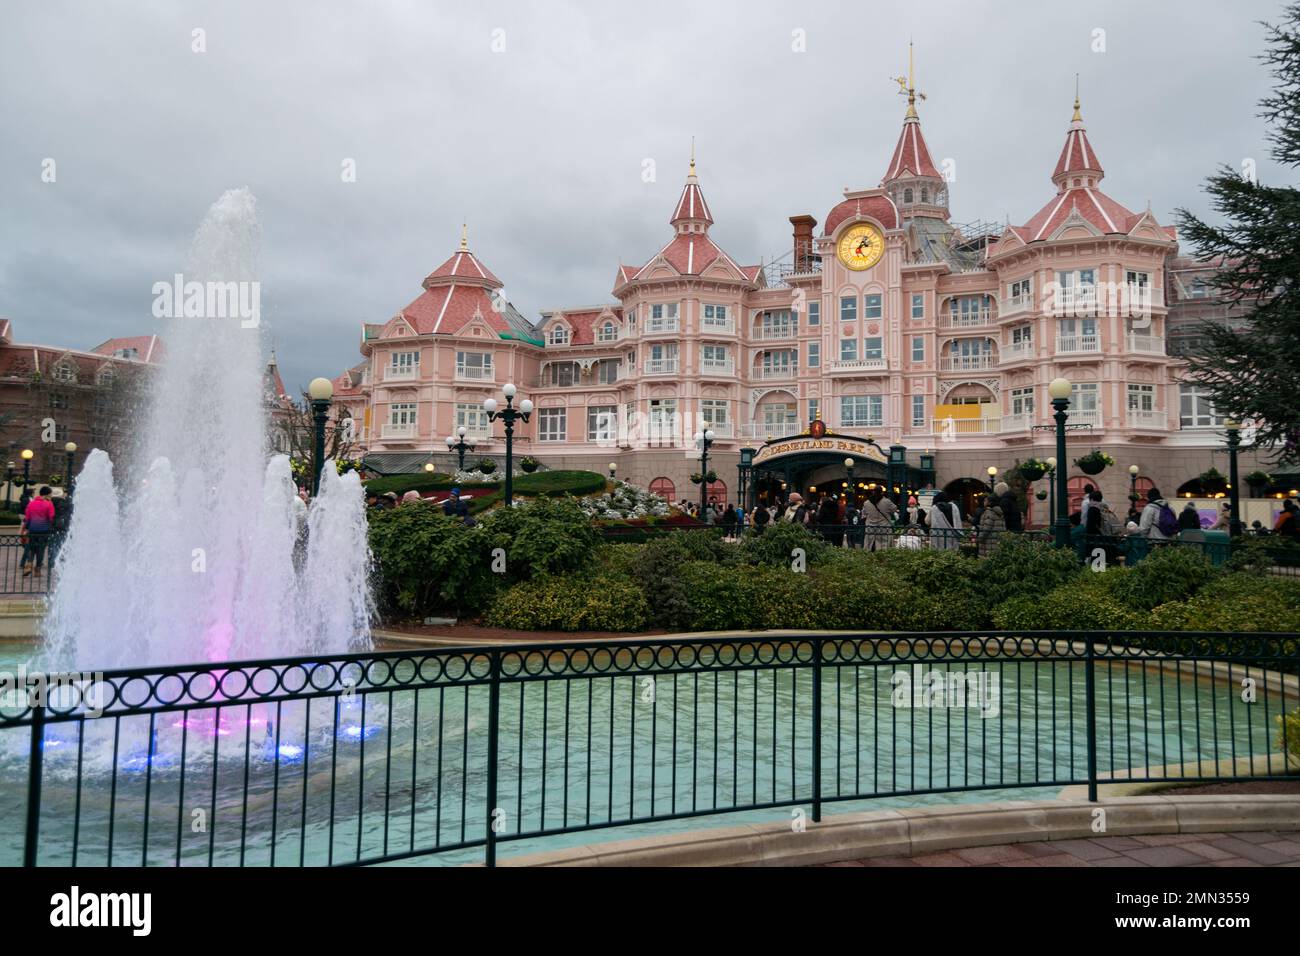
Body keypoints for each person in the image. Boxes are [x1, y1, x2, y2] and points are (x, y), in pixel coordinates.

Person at [19, 486, 56, 578]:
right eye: (50, 493)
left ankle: (29, 564)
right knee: (41, 550)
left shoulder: (31, 504)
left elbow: (27, 517)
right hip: (44, 531)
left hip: (32, 530)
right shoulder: (49, 504)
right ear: (47, 494)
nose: (51, 495)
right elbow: (51, 517)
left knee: (31, 549)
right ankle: (37, 570)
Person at [860, 487, 898, 551]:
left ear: (873, 492)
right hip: (884, 527)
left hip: (870, 527)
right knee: (884, 545)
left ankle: (868, 557)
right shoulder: (887, 501)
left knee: (868, 544)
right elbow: (894, 509)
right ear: (882, 492)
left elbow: (864, 514)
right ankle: (881, 558)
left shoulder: (866, 503)